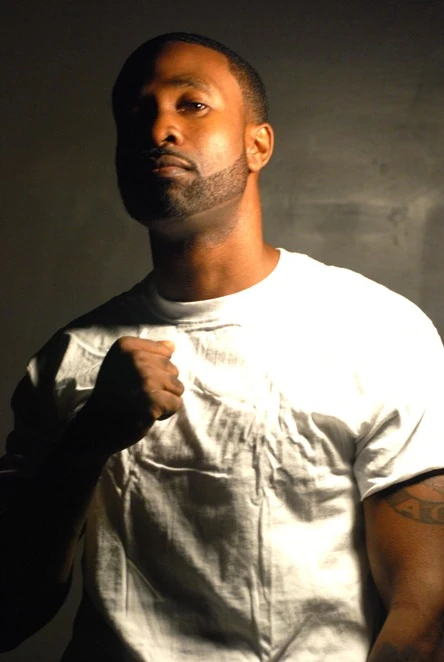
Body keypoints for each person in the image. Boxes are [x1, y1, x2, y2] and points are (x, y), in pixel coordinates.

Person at [1, 32, 444, 662]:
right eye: (136, 113)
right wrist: (87, 441)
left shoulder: (376, 329)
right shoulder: (67, 359)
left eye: (192, 104)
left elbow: (426, 613)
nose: (159, 128)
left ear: (257, 144)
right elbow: (11, 610)